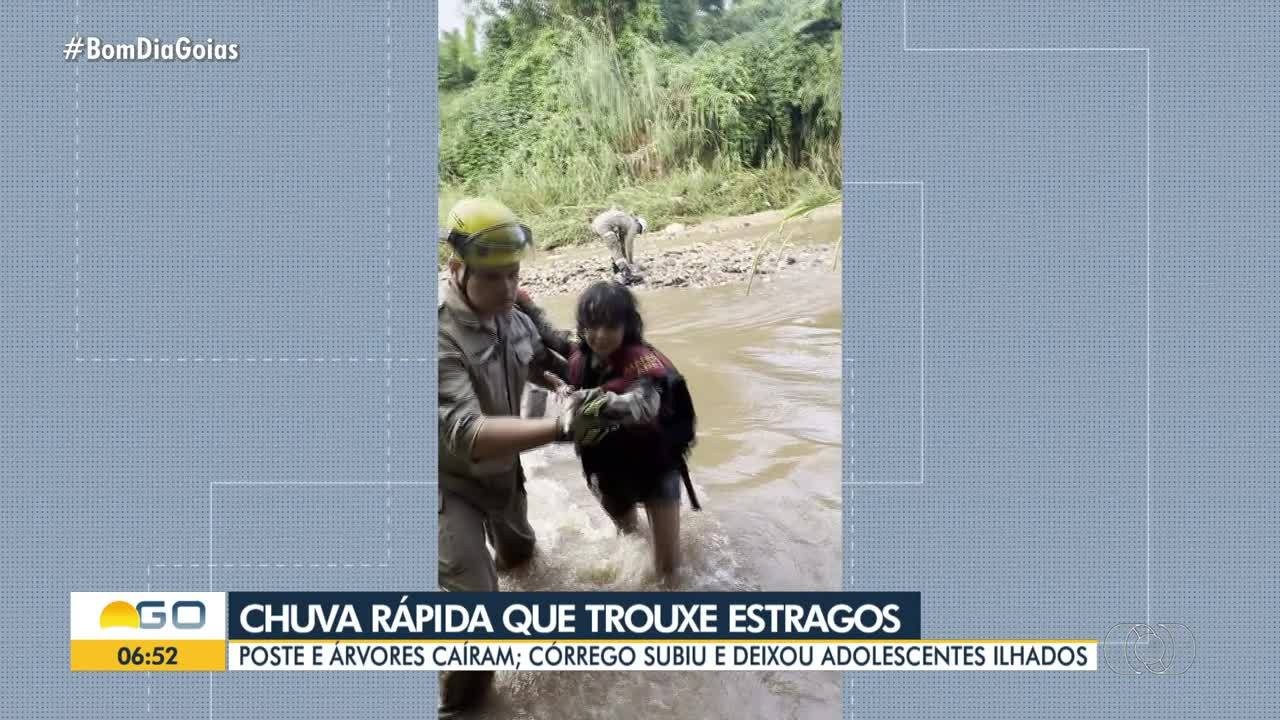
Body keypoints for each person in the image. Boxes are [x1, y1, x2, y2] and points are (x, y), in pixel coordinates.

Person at [436, 197, 600, 718]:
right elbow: (465, 432)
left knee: (523, 560)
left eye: (515, 275)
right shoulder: (438, 332)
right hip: (447, 482)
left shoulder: (511, 311)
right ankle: (460, 708)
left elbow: (527, 357)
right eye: (494, 278)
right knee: (477, 620)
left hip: (503, 472)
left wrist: (554, 380)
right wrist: (559, 427)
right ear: (457, 269)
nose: (508, 289)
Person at [561, 281, 699, 584]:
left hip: (656, 466)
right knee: (630, 541)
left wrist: (590, 400)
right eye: (591, 326)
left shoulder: (642, 363)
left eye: (610, 326)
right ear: (582, 328)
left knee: (668, 571)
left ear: (628, 326)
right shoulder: (581, 361)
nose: (599, 335)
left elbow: (644, 406)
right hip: (606, 468)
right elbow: (545, 346)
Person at [590, 208, 648, 285]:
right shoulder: (633, 225)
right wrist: (630, 262)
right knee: (615, 247)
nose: (637, 232)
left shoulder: (626, 222)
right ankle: (627, 275)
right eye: (639, 230)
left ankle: (616, 268)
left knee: (615, 246)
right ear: (639, 225)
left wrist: (626, 259)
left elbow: (623, 244)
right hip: (604, 225)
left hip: (596, 224)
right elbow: (629, 246)